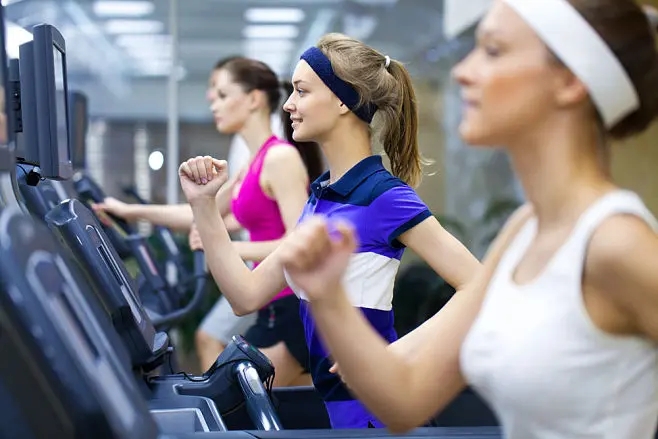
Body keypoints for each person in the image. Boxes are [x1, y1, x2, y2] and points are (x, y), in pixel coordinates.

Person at [276, 1, 658, 438]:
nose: (461, 72)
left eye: (493, 50)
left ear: (569, 81)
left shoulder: (616, 244)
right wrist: (327, 295)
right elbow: (404, 402)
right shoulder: (524, 232)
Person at [178, 33, 481, 428]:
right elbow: (245, 295)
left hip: (378, 410)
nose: (288, 104)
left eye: (302, 91)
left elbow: (478, 286)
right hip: (340, 408)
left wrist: (394, 355)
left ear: (342, 100)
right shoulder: (321, 197)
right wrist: (203, 205)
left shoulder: (383, 195)